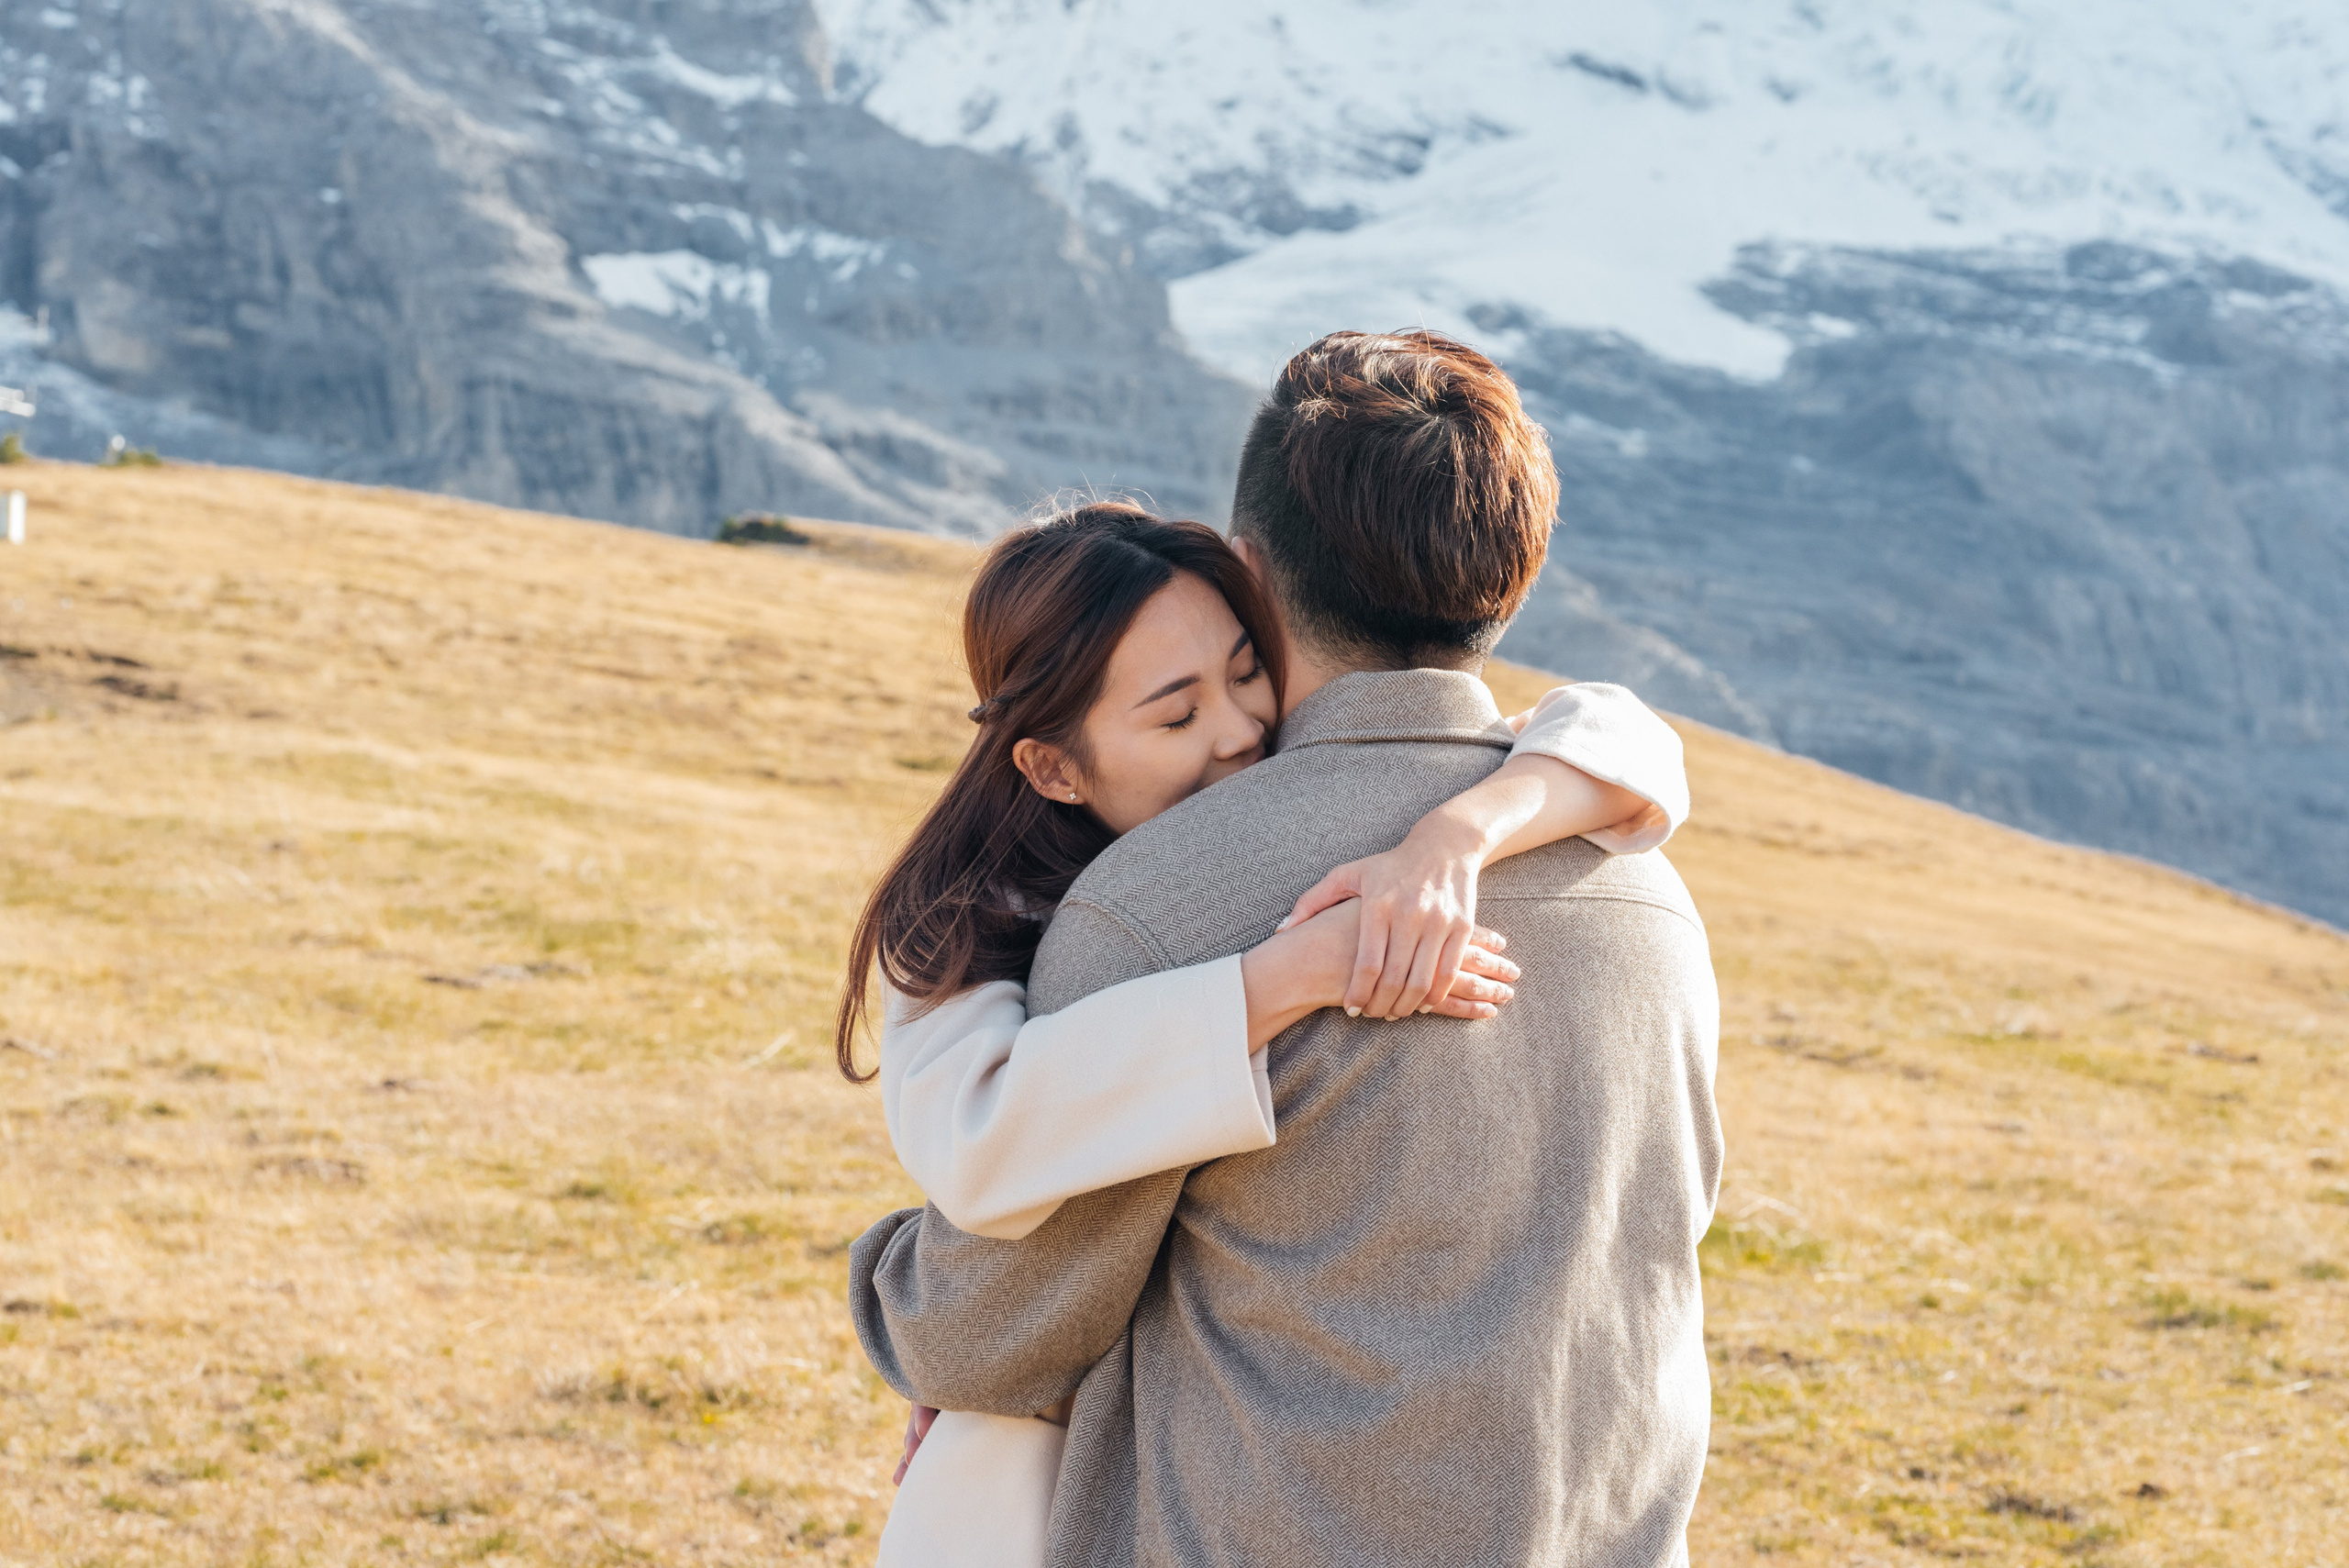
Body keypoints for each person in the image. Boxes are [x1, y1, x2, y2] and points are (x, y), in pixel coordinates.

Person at [851, 330, 1723, 1568]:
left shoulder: (1157, 908)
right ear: (1513, 574)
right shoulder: (1645, 881)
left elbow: (980, 1334)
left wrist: (891, 1271)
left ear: (1250, 571)